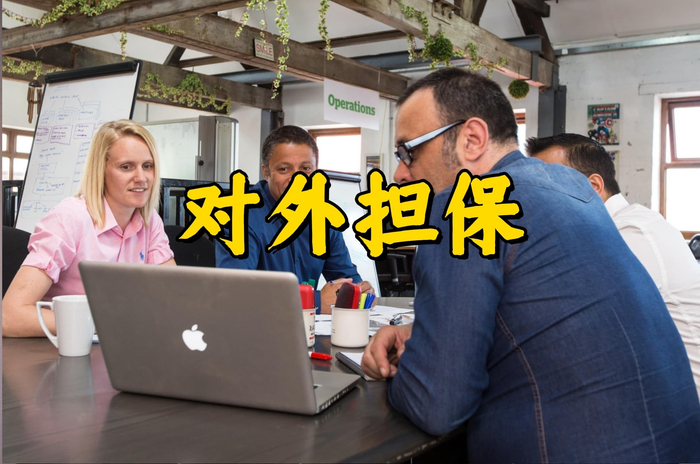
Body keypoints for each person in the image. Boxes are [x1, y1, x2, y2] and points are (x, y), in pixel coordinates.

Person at [361, 68, 700, 462]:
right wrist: (424, 333)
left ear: (472, 139)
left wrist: (404, 369)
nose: (400, 173)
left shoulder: (464, 208)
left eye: (408, 151)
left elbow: (437, 404)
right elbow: (541, 314)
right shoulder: (573, 188)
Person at [527, 133, 700, 397]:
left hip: (684, 401)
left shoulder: (631, 233)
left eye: (547, 186)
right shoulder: (615, 225)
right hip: (658, 384)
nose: (535, 198)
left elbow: (569, 322)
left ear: (593, 186)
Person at [2, 120, 175, 338]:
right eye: (126, 167)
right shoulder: (69, 218)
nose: (141, 178)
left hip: (121, 346)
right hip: (62, 348)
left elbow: (174, 297)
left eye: (147, 166)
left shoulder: (149, 221)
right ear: (101, 170)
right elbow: (9, 316)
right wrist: (103, 324)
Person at [215, 125, 373, 313]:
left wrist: (361, 292)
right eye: (284, 169)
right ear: (266, 172)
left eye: (306, 168)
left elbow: (348, 279)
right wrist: (314, 301)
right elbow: (235, 293)